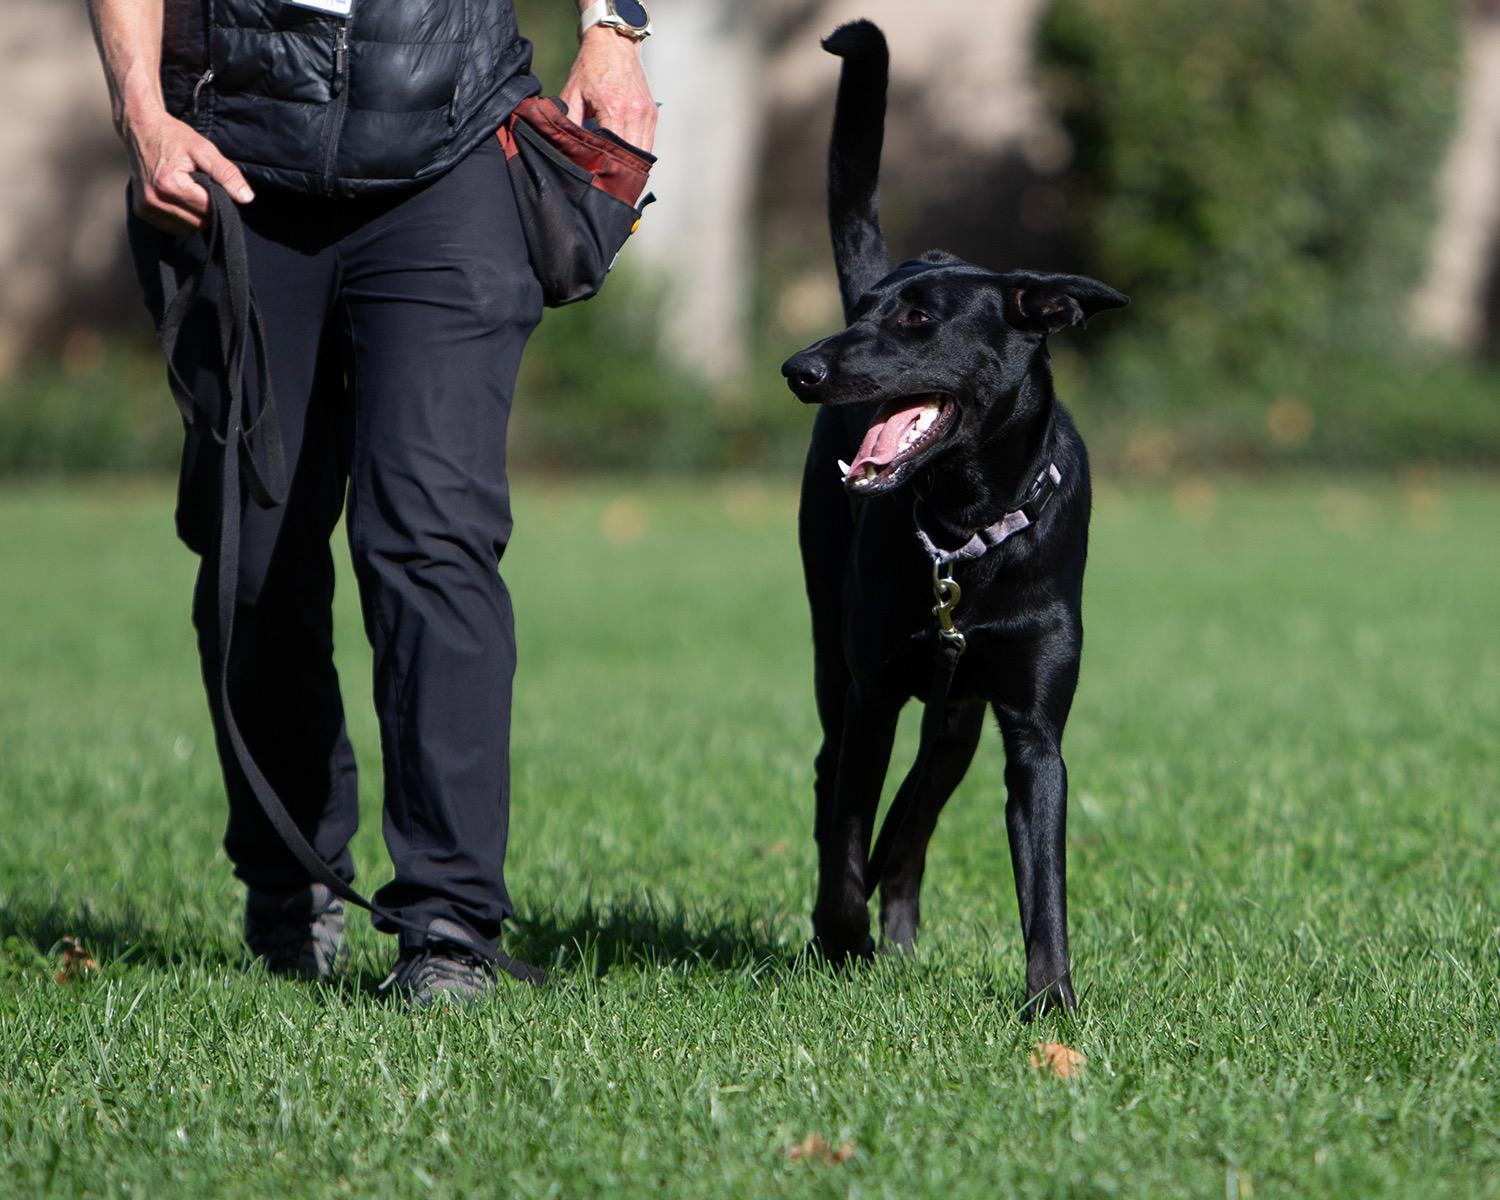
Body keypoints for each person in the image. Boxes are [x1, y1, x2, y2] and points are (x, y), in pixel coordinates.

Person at [86, 0, 657, 1004]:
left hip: (452, 143)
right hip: (234, 154)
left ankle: (449, 922)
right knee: (253, 553)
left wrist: (613, 29)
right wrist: (141, 111)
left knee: (433, 534)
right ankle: (290, 874)